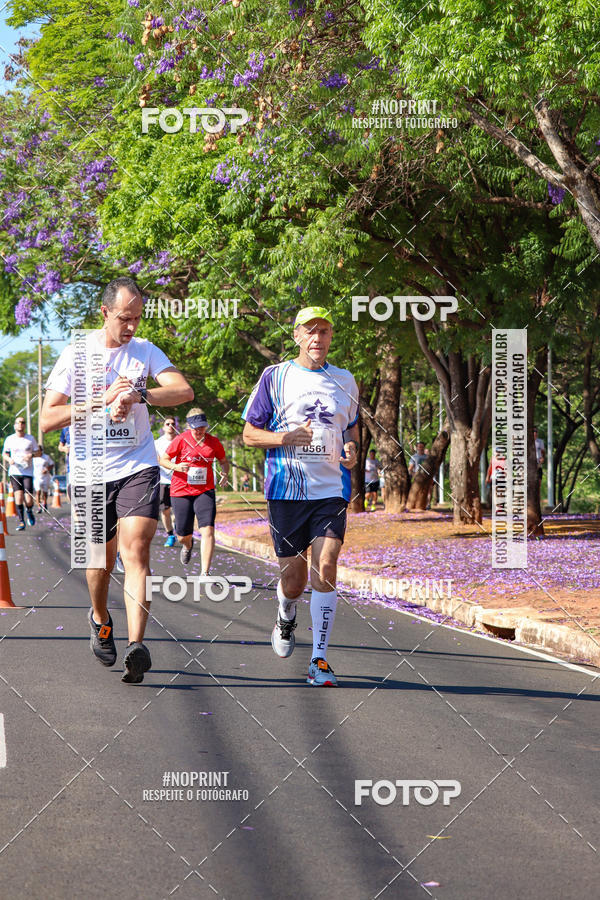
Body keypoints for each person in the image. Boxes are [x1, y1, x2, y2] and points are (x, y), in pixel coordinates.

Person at [41, 276, 193, 684]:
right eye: (125, 318)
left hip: (137, 465)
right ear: (105, 313)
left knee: (136, 551)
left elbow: (182, 391)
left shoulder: (144, 352)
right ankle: (99, 615)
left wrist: (139, 394)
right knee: (98, 563)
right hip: (91, 468)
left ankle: (136, 646)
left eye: (138, 319)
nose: (131, 327)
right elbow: (47, 418)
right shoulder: (77, 353)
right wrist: (103, 398)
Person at [242, 306, 359, 687]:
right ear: (296, 336)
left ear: (330, 337)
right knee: (294, 580)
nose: (317, 338)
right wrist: (284, 438)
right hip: (287, 493)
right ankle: (286, 612)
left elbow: (352, 429)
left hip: (330, 492)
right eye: (310, 331)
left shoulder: (345, 381)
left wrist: (353, 451)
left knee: (326, 566)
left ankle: (320, 659)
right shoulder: (274, 378)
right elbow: (248, 434)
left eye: (324, 331)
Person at [159, 408, 229, 573]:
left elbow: (224, 461)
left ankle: (205, 572)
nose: (199, 430)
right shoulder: (181, 440)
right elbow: (164, 460)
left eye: (202, 427)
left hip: (205, 490)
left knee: (208, 530)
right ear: (188, 426)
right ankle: (187, 546)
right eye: (196, 427)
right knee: (183, 536)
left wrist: (225, 473)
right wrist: (176, 466)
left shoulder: (213, 442)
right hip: (181, 490)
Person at [2, 416, 41, 531]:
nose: (20, 425)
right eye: (18, 423)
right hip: (14, 471)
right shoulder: (9, 439)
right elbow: (4, 454)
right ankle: (21, 522)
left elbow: (38, 452)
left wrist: (31, 455)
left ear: (25, 425)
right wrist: (9, 460)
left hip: (27, 472)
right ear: (14, 425)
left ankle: (29, 511)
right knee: (18, 497)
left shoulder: (30, 439)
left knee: (28, 499)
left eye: (23, 423)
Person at [154, 416, 177, 547]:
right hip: (163, 480)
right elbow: (157, 459)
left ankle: (180, 529)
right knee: (165, 510)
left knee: (179, 509)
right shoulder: (158, 443)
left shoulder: (180, 441)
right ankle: (170, 535)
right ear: (163, 427)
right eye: (167, 423)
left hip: (179, 480)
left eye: (172, 423)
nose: (170, 425)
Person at [33, 444, 54, 512]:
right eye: (36, 451)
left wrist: (47, 469)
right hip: (36, 477)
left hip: (45, 477)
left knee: (45, 492)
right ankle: (39, 507)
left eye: (38, 451)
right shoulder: (33, 458)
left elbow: (52, 464)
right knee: (38, 492)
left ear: (41, 451)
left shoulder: (46, 457)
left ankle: (45, 503)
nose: (37, 452)